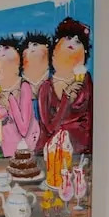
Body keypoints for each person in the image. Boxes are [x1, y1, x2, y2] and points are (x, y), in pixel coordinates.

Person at [38, 18, 93, 155]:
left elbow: (91, 120)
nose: (73, 41)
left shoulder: (86, 81)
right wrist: (66, 98)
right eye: (68, 37)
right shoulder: (46, 88)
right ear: (55, 48)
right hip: (50, 154)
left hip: (81, 153)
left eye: (78, 41)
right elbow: (50, 128)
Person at [0, 36, 38, 157]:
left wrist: (9, 103)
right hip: (5, 148)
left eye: (6, 48)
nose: (1, 50)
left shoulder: (24, 87)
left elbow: (23, 129)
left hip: (26, 148)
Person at [21, 33, 51, 147]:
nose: (30, 47)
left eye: (35, 44)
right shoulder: (18, 84)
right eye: (27, 46)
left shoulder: (55, 80)